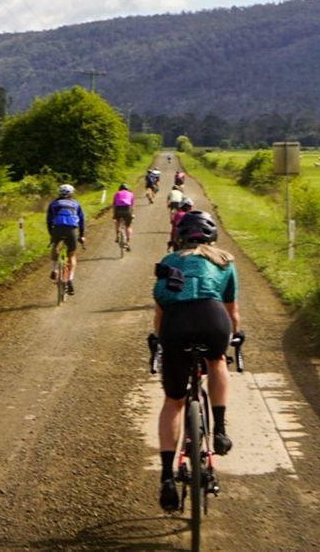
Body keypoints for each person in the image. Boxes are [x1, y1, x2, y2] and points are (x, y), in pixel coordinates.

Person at [151, 209, 240, 511]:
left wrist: (160, 340)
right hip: (213, 320)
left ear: (178, 238)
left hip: (175, 325)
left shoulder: (168, 262)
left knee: (173, 401)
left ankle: (166, 477)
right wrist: (234, 336)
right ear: (212, 237)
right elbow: (232, 311)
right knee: (217, 361)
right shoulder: (225, 261)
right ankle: (221, 430)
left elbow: (160, 310)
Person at [47, 184, 85, 295]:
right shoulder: (76, 204)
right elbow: (81, 222)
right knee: (71, 255)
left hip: (57, 229)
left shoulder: (53, 204)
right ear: (71, 193)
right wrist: (81, 235)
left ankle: (54, 269)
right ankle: (70, 279)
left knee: (55, 247)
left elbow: (49, 221)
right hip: (71, 230)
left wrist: (52, 236)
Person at [112, 183, 134, 250]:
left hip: (118, 210)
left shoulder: (116, 193)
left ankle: (117, 235)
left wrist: (114, 214)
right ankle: (127, 242)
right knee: (128, 226)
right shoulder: (131, 194)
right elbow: (131, 206)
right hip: (127, 210)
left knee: (116, 221)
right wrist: (132, 214)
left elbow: (114, 205)